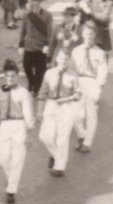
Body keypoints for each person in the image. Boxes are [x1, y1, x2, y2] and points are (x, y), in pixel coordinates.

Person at [0, 60, 34, 204]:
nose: (10, 79)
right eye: (7, 77)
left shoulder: (24, 93)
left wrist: (29, 134)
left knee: (17, 159)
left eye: (13, 76)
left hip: (19, 125)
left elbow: (29, 115)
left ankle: (11, 190)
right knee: (1, 157)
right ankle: (11, 179)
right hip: (5, 126)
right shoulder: (0, 91)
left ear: (18, 76)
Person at [36, 49, 81, 177]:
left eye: (66, 59)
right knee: (45, 136)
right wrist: (39, 110)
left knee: (62, 138)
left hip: (66, 108)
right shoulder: (49, 74)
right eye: (61, 59)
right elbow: (42, 93)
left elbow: (78, 94)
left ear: (69, 61)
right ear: (57, 59)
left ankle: (60, 167)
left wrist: (72, 98)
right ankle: (57, 156)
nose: (63, 62)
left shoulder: (73, 75)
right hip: (51, 105)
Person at [71, 22, 108, 153]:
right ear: (82, 34)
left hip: (92, 83)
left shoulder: (100, 53)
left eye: (91, 35)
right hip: (79, 82)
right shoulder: (76, 51)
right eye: (87, 34)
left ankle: (87, 143)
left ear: (95, 35)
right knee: (75, 115)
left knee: (91, 115)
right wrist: (72, 86)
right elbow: (72, 70)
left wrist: (98, 90)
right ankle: (81, 135)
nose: (89, 37)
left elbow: (102, 73)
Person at [19, 0, 53, 96]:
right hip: (29, 45)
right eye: (33, 1)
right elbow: (23, 31)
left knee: (40, 70)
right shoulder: (27, 14)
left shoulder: (47, 15)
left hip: (41, 46)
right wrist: (21, 44)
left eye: (37, 1)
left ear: (40, 2)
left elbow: (49, 32)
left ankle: (37, 88)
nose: (35, 3)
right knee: (26, 67)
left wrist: (47, 44)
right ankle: (31, 82)